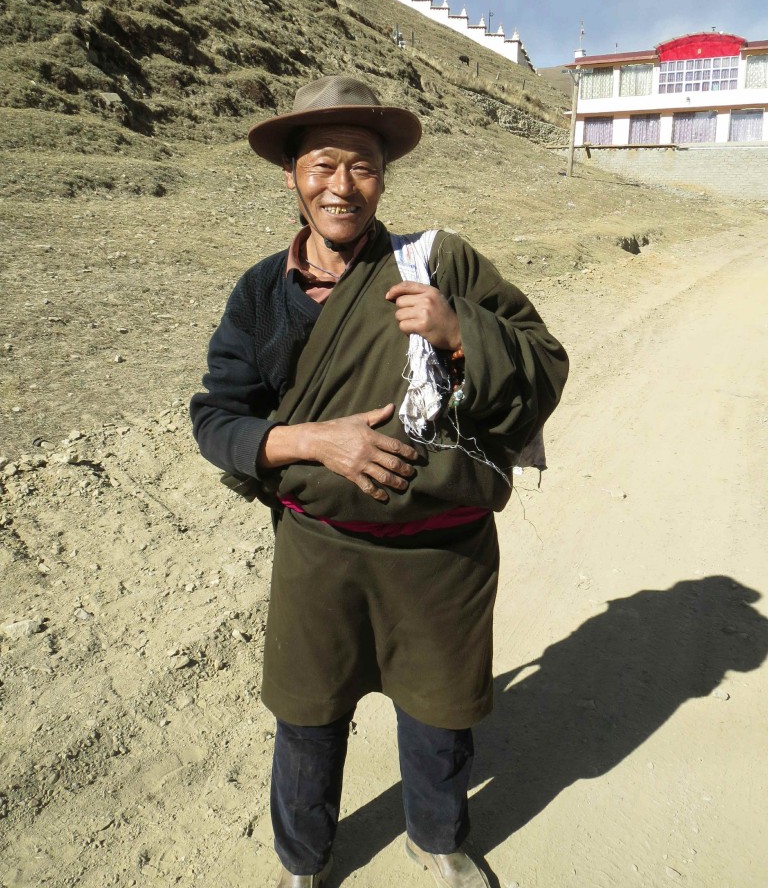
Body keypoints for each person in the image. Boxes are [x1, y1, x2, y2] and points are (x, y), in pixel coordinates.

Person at [190, 75, 569, 888]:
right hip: (319, 553)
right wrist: (314, 442)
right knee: (307, 720)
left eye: (361, 166)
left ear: (384, 177)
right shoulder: (262, 293)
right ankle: (302, 860)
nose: (342, 185)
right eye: (322, 164)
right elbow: (217, 420)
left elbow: (544, 362)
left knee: (439, 721)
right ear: (293, 176)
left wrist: (458, 328)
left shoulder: (439, 264)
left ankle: (437, 839)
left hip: (442, 556)